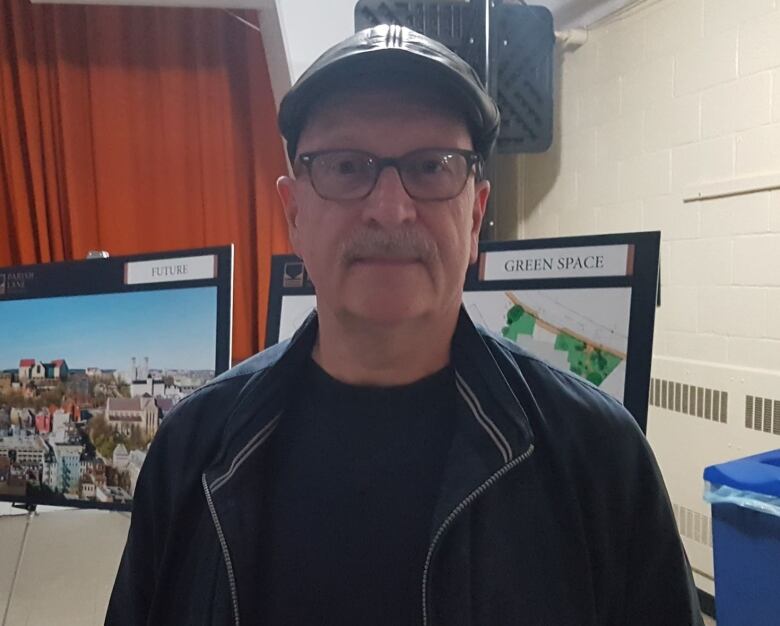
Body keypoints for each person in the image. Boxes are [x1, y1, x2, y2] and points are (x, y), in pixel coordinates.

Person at [107, 24, 703, 626]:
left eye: (431, 166)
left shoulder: (598, 457)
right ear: (295, 215)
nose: (390, 208)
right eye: (345, 167)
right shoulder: (193, 450)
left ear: (475, 215)